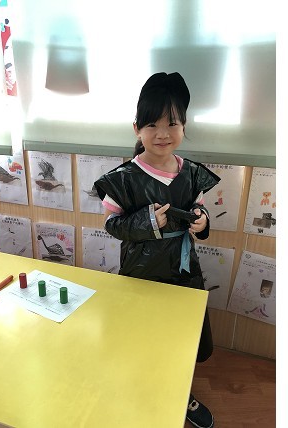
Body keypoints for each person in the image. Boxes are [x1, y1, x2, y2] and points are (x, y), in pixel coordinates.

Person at [93, 72, 220, 428]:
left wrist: (202, 222)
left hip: (184, 272)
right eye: (152, 124)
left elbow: (200, 210)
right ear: (137, 129)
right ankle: (141, 388)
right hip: (141, 273)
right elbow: (112, 225)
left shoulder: (191, 174)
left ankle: (181, 394)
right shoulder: (123, 178)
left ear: (184, 127)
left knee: (181, 341)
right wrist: (148, 221)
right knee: (142, 337)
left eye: (172, 123)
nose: (162, 133)